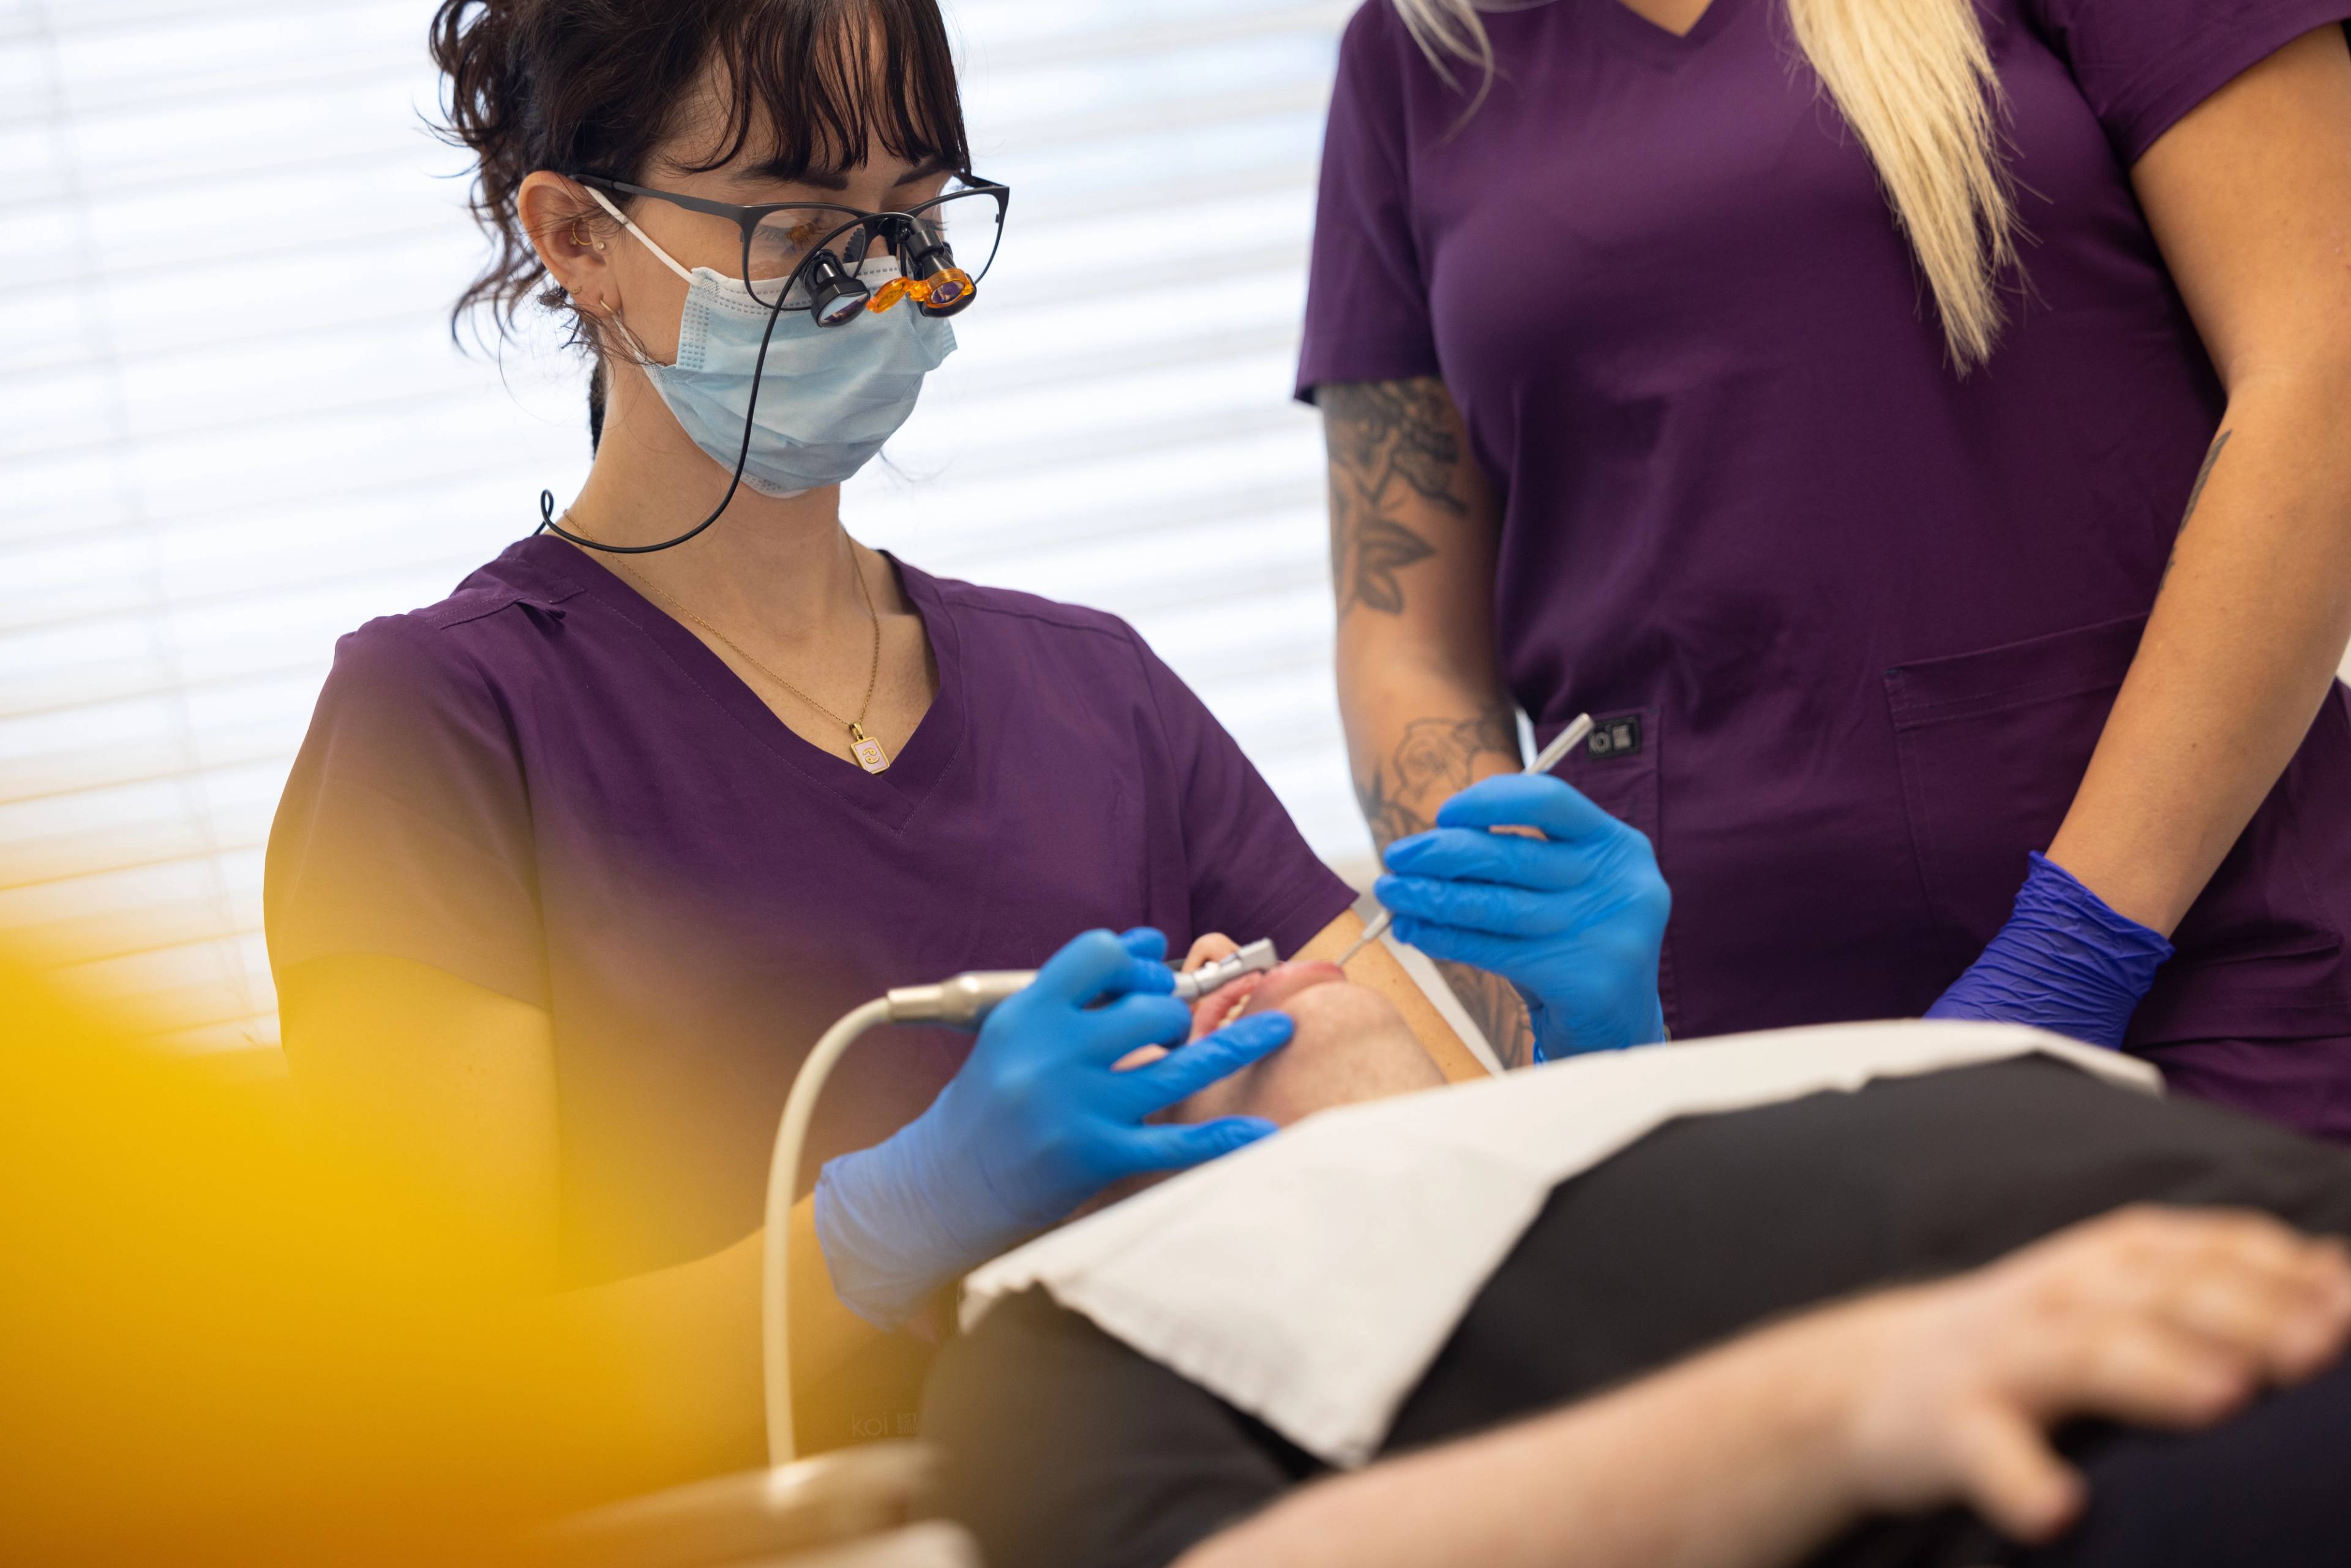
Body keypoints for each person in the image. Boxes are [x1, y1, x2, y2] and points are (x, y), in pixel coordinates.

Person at [263, 0, 1667, 1471]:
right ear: (578, 234)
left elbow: (1423, 1172)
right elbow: (442, 1412)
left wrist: (1597, 1048)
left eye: (913, 210)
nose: (878, 282)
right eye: (798, 215)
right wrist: (892, 1218)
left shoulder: (1094, 693)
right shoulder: (441, 730)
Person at [1300, 0, 2351, 1127]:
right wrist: (1559, 1030)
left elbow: (2321, 376)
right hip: (1713, 1068)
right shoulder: (1414, 58)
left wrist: (2075, 951)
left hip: (2206, 970)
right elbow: (1406, 632)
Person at [922, 962, 2351, 1568]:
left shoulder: (1740, 1081)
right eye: (1165, 1014)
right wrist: (1851, 1393)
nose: (1236, 957)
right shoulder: (1088, 1305)